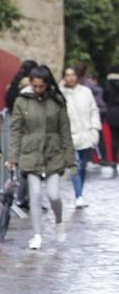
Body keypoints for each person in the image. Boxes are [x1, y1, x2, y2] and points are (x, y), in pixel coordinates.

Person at [9, 65, 74, 250]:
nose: (38, 89)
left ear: (47, 84)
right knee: (35, 195)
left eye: (41, 86)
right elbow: (16, 131)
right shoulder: (22, 101)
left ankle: (59, 220)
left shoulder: (57, 101)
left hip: (53, 154)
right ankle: (37, 234)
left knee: (53, 195)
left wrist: (70, 160)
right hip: (30, 153)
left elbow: (65, 131)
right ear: (31, 83)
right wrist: (13, 157)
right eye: (35, 85)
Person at [61, 65, 102, 207]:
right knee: (74, 166)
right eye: (67, 75)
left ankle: (80, 192)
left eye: (73, 75)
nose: (70, 78)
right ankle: (78, 195)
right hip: (69, 137)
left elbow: (93, 110)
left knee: (83, 167)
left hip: (86, 135)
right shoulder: (60, 94)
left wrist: (95, 129)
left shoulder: (86, 92)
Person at [105, 65, 119, 173]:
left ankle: (114, 160)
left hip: (112, 113)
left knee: (114, 138)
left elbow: (105, 98)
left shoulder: (108, 84)